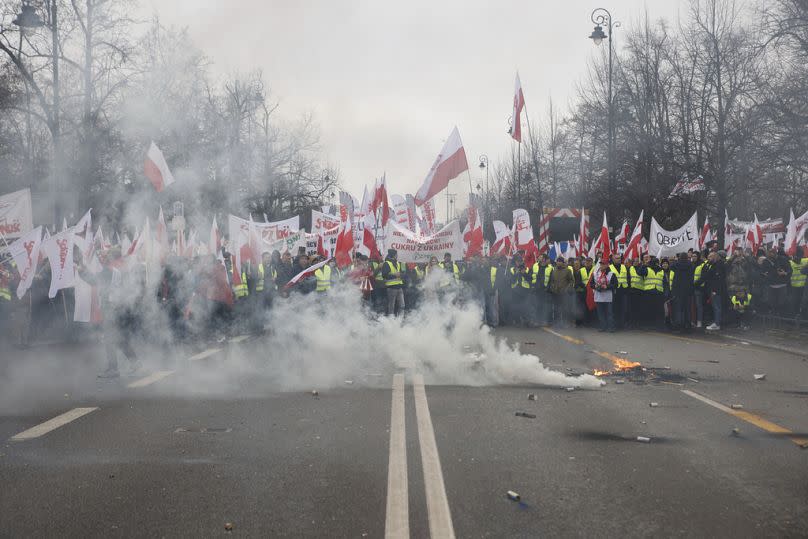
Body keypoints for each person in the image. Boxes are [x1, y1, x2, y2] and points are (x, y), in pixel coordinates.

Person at [702, 251, 727, 330]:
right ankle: (716, 322)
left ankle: (717, 323)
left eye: (711, 256)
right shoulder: (716, 264)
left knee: (717, 307)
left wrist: (714, 290)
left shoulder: (719, 265)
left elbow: (718, 279)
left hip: (716, 290)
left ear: (717, 256)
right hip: (715, 289)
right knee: (716, 306)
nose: (709, 258)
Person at [670, 252, 694, 331]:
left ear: (679, 257)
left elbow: (671, 266)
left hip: (678, 289)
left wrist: (676, 260)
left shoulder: (676, 264)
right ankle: (688, 324)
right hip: (687, 289)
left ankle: (678, 324)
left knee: (678, 308)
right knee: (687, 308)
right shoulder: (690, 265)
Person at [592, 257, 617, 332]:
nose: (601, 265)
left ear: (607, 265)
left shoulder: (611, 274)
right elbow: (591, 284)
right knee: (600, 313)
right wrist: (595, 286)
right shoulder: (595, 273)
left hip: (608, 297)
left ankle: (611, 327)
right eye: (601, 264)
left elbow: (615, 284)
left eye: (603, 264)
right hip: (598, 296)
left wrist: (607, 286)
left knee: (609, 313)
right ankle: (603, 326)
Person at [548, 256, 574, 326]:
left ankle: (565, 323)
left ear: (563, 263)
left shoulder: (568, 270)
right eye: (557, 261)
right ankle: (556, 322)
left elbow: (571, 281)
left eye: (560, 261)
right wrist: (552, 287)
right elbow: (551, 281)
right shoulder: (554, 270)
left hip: (564, 293)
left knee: (564, 308)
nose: (558, 263)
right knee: (556, 308)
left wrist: (567, 289)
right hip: (555, 293)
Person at [381, 248, 405, 316]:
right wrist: (395, 275)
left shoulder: (398, 263)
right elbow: (384, 275)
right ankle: (391, 321)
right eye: (396, 254)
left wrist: (401, 274)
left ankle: (400, 320)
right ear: (394, 255)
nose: (397, 255)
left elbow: (403, 273)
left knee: (402, 305)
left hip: (399, 287)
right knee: (392, 306)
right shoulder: (386, 263)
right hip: (391, 288)